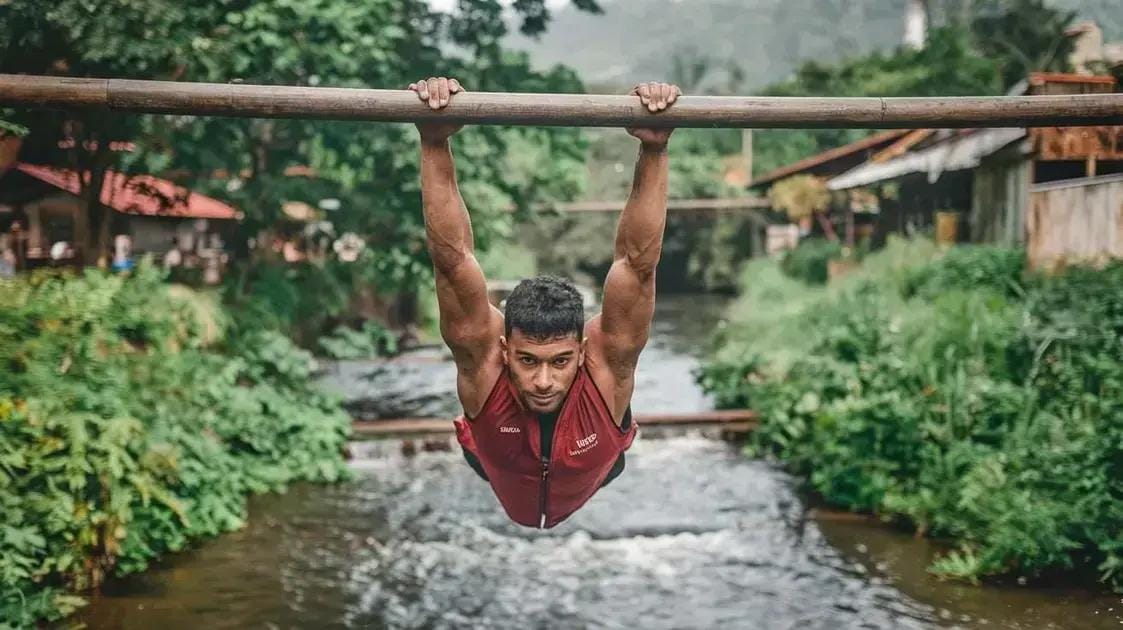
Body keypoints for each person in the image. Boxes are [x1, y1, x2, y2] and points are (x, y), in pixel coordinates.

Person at [409, 76, 680, 528]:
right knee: (456, 279)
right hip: (498, 461)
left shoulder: (606, 366)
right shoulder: (484, 362)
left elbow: (637, 265)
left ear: (583, 351)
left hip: (595, 467)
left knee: (635, 280)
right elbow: (452, 262)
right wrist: (433, 141)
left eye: (559, 361)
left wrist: (654, 149)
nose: (542, 381)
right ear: (503, 350)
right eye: (528, 360)